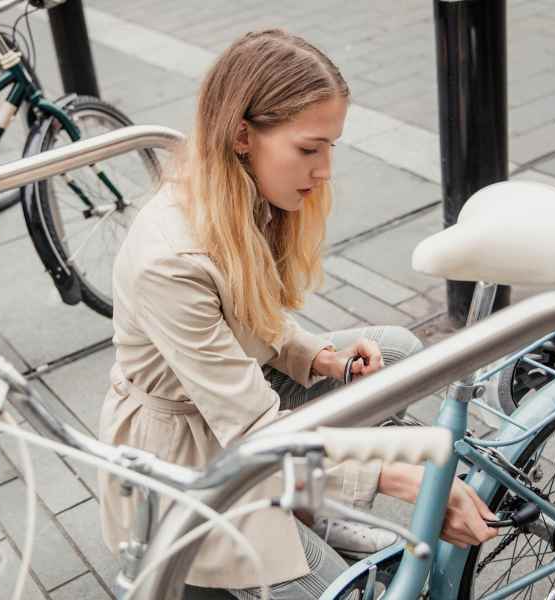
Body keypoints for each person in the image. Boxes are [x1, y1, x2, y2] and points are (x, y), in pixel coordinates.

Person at [97, 29, 497, 599]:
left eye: (331, 146)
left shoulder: (238, 195)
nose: (326, 168)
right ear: (241, 136)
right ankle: (303, 513)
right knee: (336, 591)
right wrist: (401, 478)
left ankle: (311, 505)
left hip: (235, 404)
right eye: (310, 149)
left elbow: (251, 319)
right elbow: (254, 433)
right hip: (190, 450)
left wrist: (322, 360)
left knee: (400, 353)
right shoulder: (171, 261)